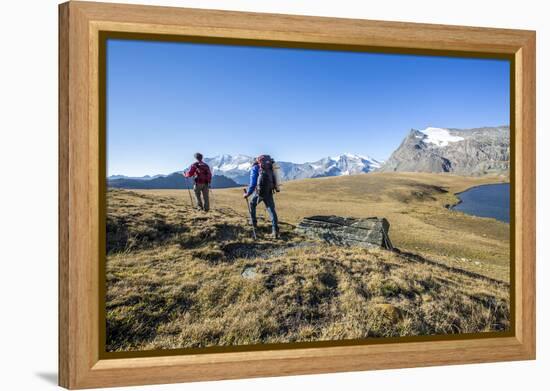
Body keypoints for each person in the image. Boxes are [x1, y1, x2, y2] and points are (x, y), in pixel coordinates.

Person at [243, 155, 280, 238]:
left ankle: (254, 224)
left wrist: (247, 194)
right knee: (271, 210)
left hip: (259, 192)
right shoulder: (270, 167)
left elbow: (253, 184)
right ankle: (275, 231)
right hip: (269, 191)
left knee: (252, 204)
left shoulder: (255, 168)